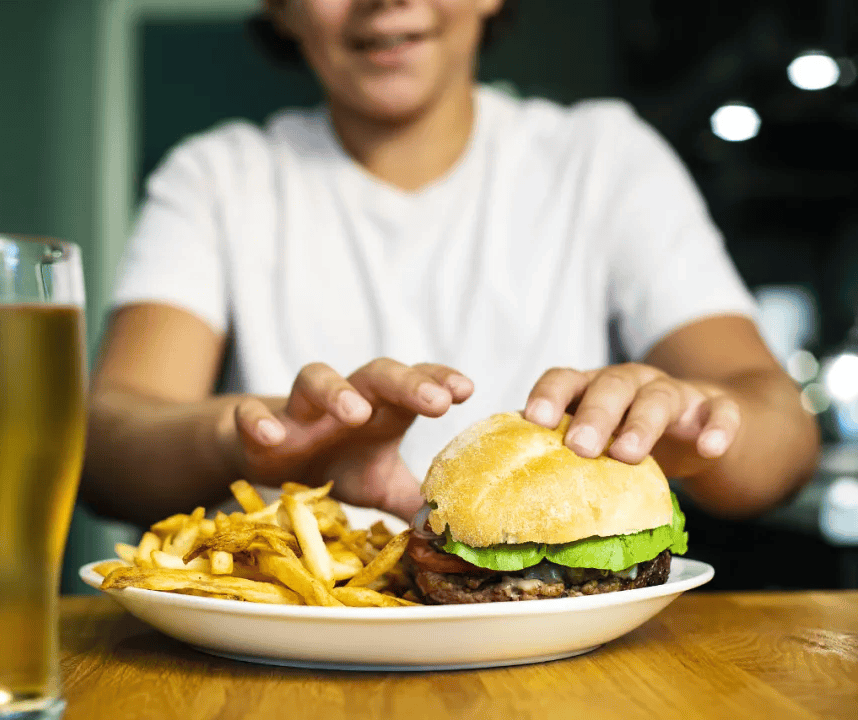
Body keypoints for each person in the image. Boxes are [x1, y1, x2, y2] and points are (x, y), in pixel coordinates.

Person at [81, 0, 819, 528]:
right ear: (280, 9)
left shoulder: (604, 159)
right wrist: (255, 439)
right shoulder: (216, 176)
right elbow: (105, 445)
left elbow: (782, 438)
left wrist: (701, 427)